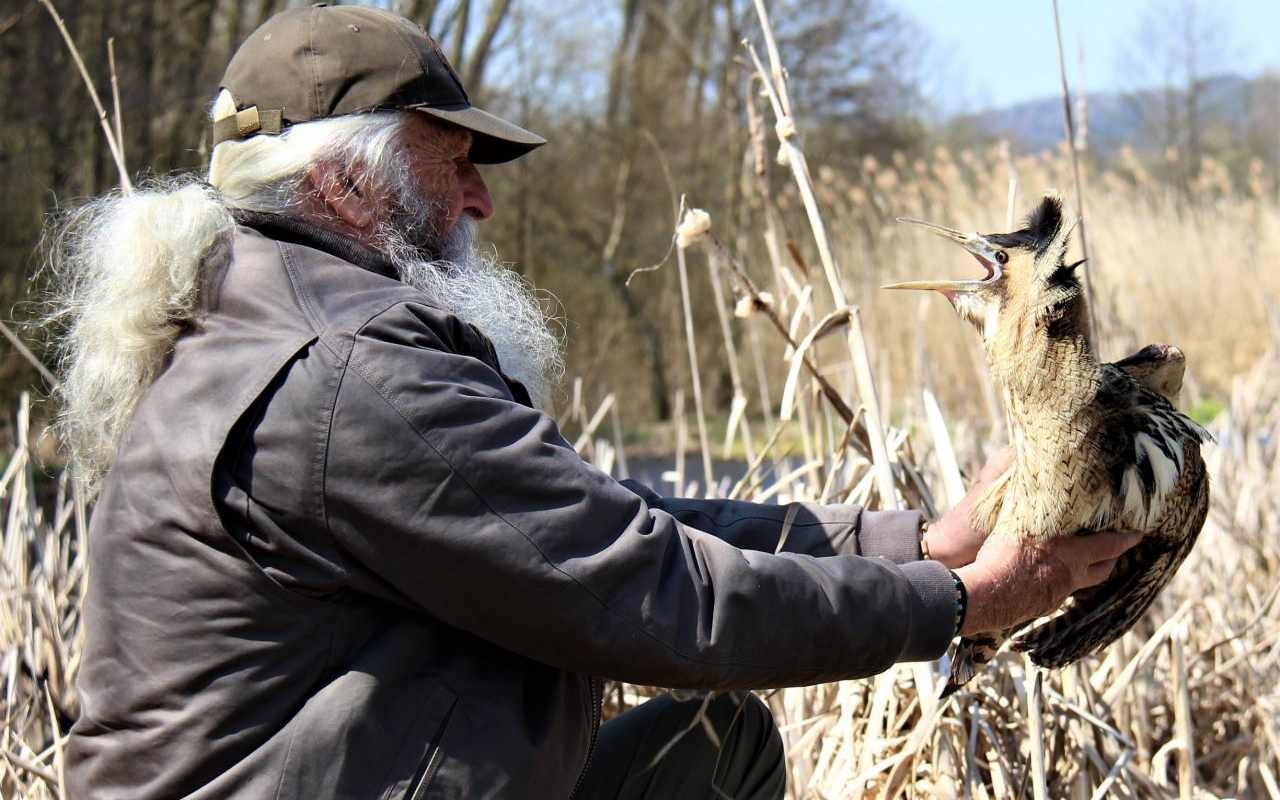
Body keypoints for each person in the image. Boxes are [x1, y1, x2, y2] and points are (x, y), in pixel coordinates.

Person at [51, 6, 1141, 799]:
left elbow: (591, 518)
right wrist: (954, 605)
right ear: (342, 183)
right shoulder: (345, 376)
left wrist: (916, 539)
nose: (480, 195)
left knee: (714, 748)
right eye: (452, 162)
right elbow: (651, 589)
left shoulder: (266, 324)